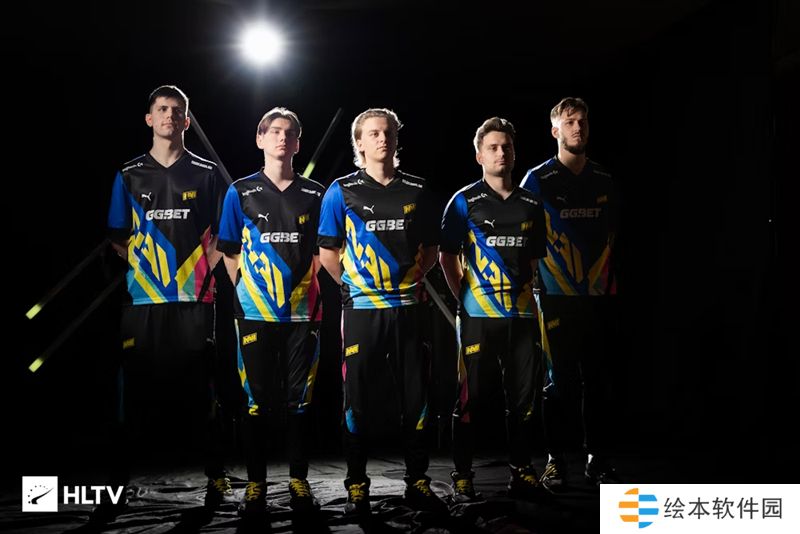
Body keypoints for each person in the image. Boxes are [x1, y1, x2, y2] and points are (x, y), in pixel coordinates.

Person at [102, 85, 231, 520]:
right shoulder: (129, 174)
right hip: (144, 302)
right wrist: (149, 270)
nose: (169, 116)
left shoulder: (207, 174)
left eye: (177, 110)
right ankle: (115, 485)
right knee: (132, 394)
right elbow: (118, 237)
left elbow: (223, 235)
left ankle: (216, 476)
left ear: (186, 121)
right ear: (149, 118)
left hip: (195, 299)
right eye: (162, 109)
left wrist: (200, 270)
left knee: (204, 391)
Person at [317, 108, 445, 515]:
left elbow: (431, 251)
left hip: (408, 309)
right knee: (357, 399)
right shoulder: (340, 191)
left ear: (396, 138)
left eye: (388, 132)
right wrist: (358, 287)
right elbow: (328, 253)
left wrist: (408, 283)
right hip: (361, 310)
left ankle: (417, 481)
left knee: (416, 397)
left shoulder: (418, 190)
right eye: (372, 133)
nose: (382, 139)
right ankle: (357, 484)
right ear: (359, 142)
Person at [216, 107, 325, 524]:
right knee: (256, 401)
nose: (282, 138)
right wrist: (249, 289)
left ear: (298, 143)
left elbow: (324, 250)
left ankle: (298, 480)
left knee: (300, 399)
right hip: (254, 314)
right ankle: (256, 483)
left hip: (303, 314)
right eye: (275, 131)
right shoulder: (240, 191)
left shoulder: (315, 193)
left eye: (290, 133)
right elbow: (229, 250)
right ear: (260, 139)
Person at [439, 117, 547, 502]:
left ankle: (522, 471)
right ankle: (463, 475)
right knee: (469, 399)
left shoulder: (532, 204)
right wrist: (465, 299)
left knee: (523, 399)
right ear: (479, 155)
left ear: (514, 153)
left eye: (507, 147)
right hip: (477, 318)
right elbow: (446, 257)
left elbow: (534, 261)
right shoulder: (463, 201)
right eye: (493, 147)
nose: (501, 153)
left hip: (522, 316)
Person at [520, 97, 620, 489]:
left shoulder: (603, 179)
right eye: (569, 121)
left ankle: (598, 459)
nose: (577, 127)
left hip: (598, 297)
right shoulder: (537, 179)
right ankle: (555, 460)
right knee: (558, 382)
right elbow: (524, 238)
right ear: (555, 131)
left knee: (598, 379)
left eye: (582, 121)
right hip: (554, 297)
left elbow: (614, 235)